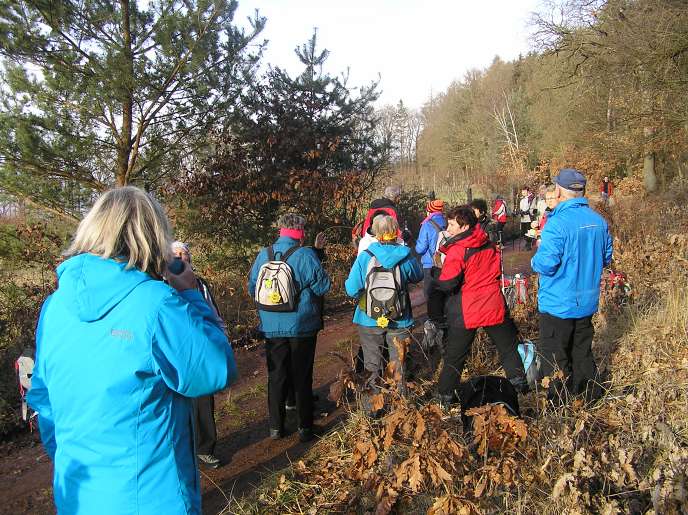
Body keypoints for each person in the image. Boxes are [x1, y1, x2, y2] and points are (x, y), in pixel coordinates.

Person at [27, 186, 237, 515]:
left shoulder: (54, 307)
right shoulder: (155, 302)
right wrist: (193, 295)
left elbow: (43, 399)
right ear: (150, 237)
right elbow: (215, 370)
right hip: (152, 499)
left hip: (78, 494)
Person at [531, 169, 613, 403]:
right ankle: (590, 399)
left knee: (555, 357)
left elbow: (545, 265)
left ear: (558, 190)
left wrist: (535, 256)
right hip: (586, 301)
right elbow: (606, 258)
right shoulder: (599, 221)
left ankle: (558, 406)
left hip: (558, 303)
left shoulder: (557, 223)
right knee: (582, 351)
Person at [434, 206, 529, 405]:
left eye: (452, 224)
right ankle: (520, 388)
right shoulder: (488, 243)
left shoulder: (458, 250)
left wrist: (436, 275)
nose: (448, 229)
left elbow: (447, 283)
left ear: (464, 226)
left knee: (455, 356)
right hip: (493, 303)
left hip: (468, 309)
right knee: (509, 348)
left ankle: (444, 398)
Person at [248, 214, 331, 442]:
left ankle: (276, 428)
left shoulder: (263, 254)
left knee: (276, 376)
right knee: (302, 376)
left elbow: (251, 288)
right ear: (300, 232)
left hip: (271, 326)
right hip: (301, 325)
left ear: (281, 230)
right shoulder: (304, 255)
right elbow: (323, 286)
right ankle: (305, 427)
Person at [345, 215, 422, 414]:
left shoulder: (365, 256)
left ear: (376, 233)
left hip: (368, 318)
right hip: (400, 317)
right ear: (396, 231)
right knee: (398, 365)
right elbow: (418, 276)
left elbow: (351, 288)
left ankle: (372, 411)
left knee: (372, 365)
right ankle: (401, 411)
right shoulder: (405, 255)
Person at [172, 241, 226, 469]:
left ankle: (205, 448)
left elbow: (212, 311)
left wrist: (222, 337)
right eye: (176, 255)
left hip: (200, 349)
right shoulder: (161, 285)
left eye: (184, 254)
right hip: (176, 352)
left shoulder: (200, 284)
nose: (182, 258)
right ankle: (181, 450)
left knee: (203, 400)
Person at [415, 199, 446, 300]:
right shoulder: (448, 221)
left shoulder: (427, 224)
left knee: (431, 295)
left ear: (429, 211)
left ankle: (433, 315)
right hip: (446, 262)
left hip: (430, 264)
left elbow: (420, 249)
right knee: (444, 292)